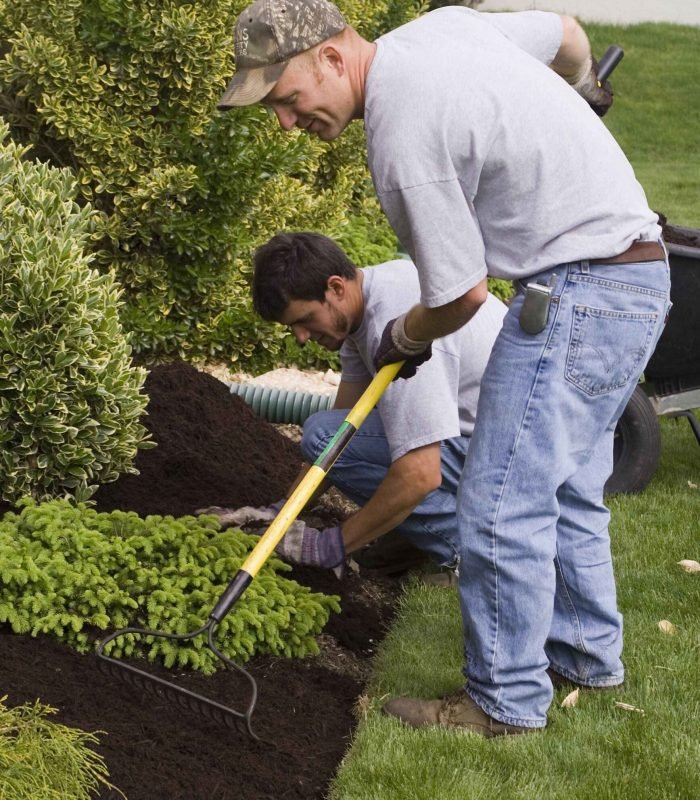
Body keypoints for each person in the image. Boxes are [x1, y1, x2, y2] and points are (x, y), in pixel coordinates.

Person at [217, 1, 671, 737]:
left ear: (332, 58)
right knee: (571, 490)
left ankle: (502, 703)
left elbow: (458, 294)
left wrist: (401, 334)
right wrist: (584, 89)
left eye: (287, 98)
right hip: (635, 278)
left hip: (576, 292)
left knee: (499, 503)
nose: (286, 122)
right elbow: (565, 33)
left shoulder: (399, 131)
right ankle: (586, 658)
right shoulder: (447, 30)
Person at [202, 230, 506, 580]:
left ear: (335, 288)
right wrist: (282, 512)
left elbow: (421, 473)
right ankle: (415, 535)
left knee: (323, 436)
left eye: (304, 320)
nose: (300, 337)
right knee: (329, 434)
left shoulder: (394, 325)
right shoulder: (359, 311)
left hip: (503, 456)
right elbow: (340, 436)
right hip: (478, 438)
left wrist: (332, 546)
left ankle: (471, 550)